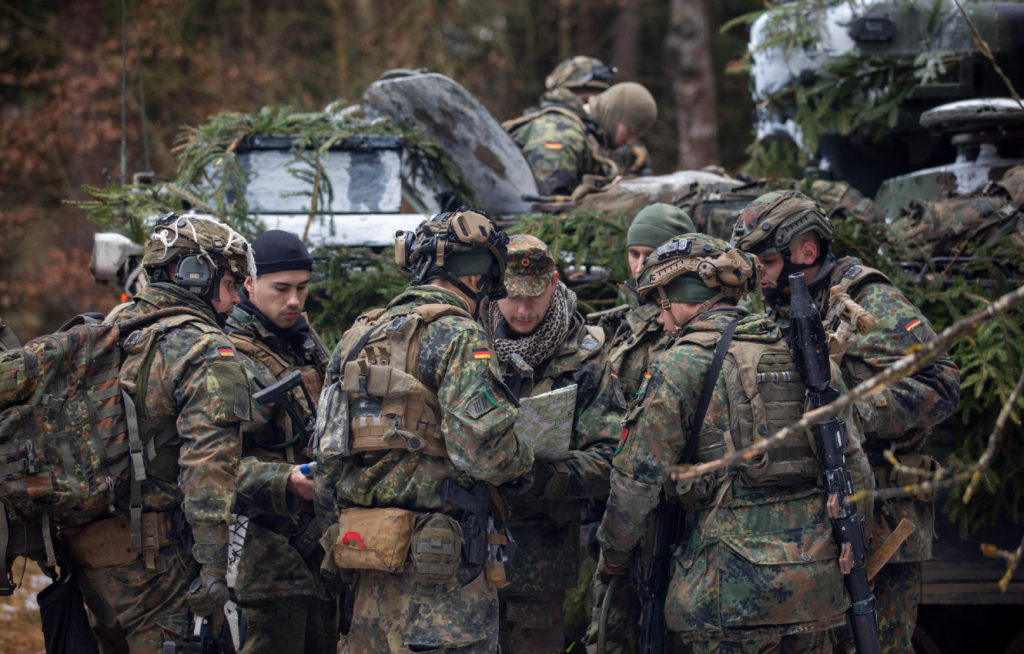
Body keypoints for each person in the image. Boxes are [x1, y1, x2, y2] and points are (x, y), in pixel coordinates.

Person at [598, 233, 869, 653]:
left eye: (660, 304)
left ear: (681, 299)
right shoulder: (806, 354)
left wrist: (613, 554)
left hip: (725, 594)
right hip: (813, 590)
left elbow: (636, 481)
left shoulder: (681, 363)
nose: (660, 321)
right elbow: (853, 468)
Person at [731, 190, 961, 654]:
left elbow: (942, 385)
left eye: (769, 262)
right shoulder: (776, 306)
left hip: (882, 520)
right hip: (817, 522)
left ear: (807, 252)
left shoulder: (868, 300)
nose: (759, 277)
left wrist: (852, 412)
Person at [315, 209, 535, 653]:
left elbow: (326, 459)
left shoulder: (356, 337)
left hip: (366, 567)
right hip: (442, 584)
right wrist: (527, 455)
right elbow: (481, 454)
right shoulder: (460, 336)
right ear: (479, 278)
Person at [70, 213, 253, 652]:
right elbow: (208, 466)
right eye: (230, 285)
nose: (231, 303)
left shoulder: (111, 327)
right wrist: (212, 571)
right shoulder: (206, 348)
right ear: (198, 275)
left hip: (91, 561)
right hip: (156, 566)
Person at [479, 234, 615, 652]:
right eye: (512, 297)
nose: (522, 310)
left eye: (534, 297)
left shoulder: (585, 359)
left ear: (554, 283)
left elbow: (611, 457)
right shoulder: (467, 343)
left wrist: (541, 475)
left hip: (539, 562)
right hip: (465, 558)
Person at [581, 203, 695, 653]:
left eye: (653, 252)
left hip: (673, 505)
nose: (641, 264)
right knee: (611, 628)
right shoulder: (613, 331)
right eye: (634, 253)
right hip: (616, 503)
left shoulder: (694, 324)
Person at [224, 230, 335, 653]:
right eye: (281, 289)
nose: (293, 301)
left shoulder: (303, 343)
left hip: (320, 553)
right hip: (263, 561)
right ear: (249, 285)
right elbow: (210, 464)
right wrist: (284, 479)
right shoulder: (232, 356)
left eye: (302, 289)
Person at [505, 81, 657, 197]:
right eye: (630, 132)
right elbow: (547, 211)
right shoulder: (562, 135)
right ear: (614, 114)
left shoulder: (590, 138)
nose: (630, 143)